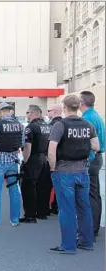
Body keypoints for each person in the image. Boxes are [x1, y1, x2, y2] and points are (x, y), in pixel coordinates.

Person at [48, 94, 99, 253]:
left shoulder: (61, 125)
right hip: (82, 171)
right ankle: (86, 242)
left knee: (67, 209)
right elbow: (96, 146)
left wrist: (52, 168)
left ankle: (68, 246)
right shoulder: (88, 124)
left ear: (65, 107)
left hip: (64, 171)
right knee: (84, 208)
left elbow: (52, 150)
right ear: (78, 107)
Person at [20, 105, 52, 223]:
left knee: (28, 186)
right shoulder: (47, 126)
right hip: (45, 158)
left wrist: (25, 161)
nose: (27, 115)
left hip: (34, 158)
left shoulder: (31, 127)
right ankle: (42, 212)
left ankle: (30, 214)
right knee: (43, 186)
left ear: (33, 113)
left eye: (28, 112)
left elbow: (28, 146)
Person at [79, 90, 105, 238]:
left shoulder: (87, 118)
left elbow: (89, 143)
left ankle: (91, 228)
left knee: (90, 194)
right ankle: (94, 226)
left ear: (82, 103)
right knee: (94, 193)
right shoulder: (95, 116)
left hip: (91, 158)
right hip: (97, 157)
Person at [46, 104, 63, 214]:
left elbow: (48, 144)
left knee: (50, 184)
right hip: (64, 158)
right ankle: (58, 205)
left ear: (55, 111)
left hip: (53, 157)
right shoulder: (65, 124)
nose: (47, 113)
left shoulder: (52, 125)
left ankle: (51, 206)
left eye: (49, 110)